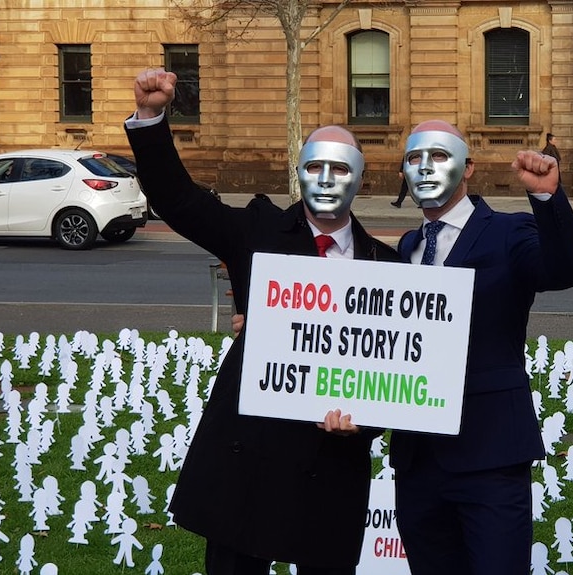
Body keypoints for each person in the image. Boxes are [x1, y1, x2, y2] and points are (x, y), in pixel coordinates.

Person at [124, 68, 400, 575]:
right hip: (252, 453)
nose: (325, 179)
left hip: (332, 464)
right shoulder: (258, 229)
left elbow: (403, 371)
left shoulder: (388, 264)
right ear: (299, 172)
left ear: (360, 178)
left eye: (339, 169)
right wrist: (150, 118)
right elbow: (179, 200)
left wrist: (368, 421)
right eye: (313, 167)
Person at [390, 120, 573, 575]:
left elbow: (564, 269)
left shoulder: (507, 233)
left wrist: (545, 197)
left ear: (468, 168)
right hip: (419, 463)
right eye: (414, 159)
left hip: (490, 456)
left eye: (438, 157)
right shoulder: (407, 247)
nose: (424, 168)